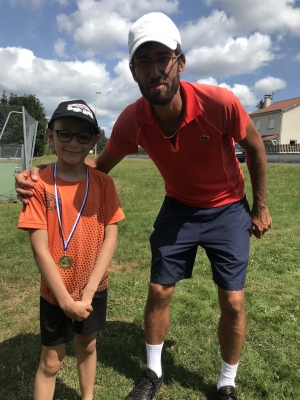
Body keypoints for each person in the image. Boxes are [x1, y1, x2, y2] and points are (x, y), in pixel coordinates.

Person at [16, 12, 272, 400]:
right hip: (179, 208)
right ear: (133, 71)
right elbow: (94, 169)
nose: (155, 71)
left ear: (180, 62)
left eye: (163, 59)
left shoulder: (219, 102)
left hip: (227, 208)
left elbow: (255, 146)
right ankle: (153, 373)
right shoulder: (133, 120)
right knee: (159, 290)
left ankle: (227, 382)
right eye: (143, 62)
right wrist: (42, 176)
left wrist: (260, 207)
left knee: (233, 301)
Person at [17, 99, 125, 400]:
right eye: (64, 134)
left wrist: (89, 292)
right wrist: (65, 301)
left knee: (88, 345)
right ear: (50, 136)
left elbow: (111, 237)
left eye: (82, 136)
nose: (73, 143)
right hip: (55, 292)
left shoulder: (104, 184)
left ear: (94, 141)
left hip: (93, 287)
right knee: (51, 361)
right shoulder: (37, 185)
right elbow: (40, 249)